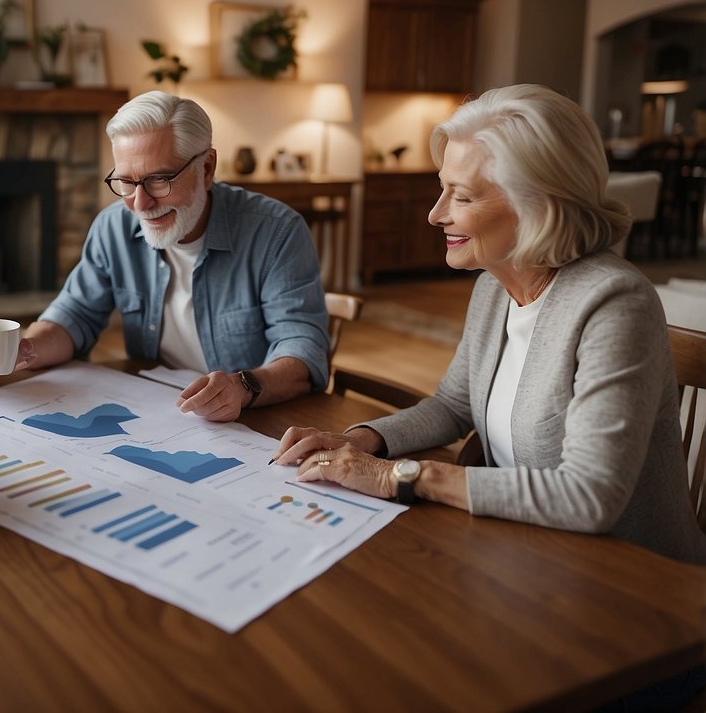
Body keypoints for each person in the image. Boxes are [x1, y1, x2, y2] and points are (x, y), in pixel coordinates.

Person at [271, 84, 706, 567]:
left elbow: (590, 495)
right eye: (443, 189)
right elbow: (455, 405)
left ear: (537, 205)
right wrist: (363, 440)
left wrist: (401, 476)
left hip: (632, 579)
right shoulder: (494, 287)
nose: (436, 215)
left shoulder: (614, 302)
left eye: (461, 196)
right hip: (525, 554)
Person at [0, 90, 330, 422]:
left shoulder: (276, 232)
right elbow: (74, 317)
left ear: (207, 167)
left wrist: (244, 387)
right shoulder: (113, 227)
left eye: (160, 180)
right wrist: (20, 351)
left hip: (260, 421)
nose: (140, 203)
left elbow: (303, 352)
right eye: (126, 182)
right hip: (157, 415)